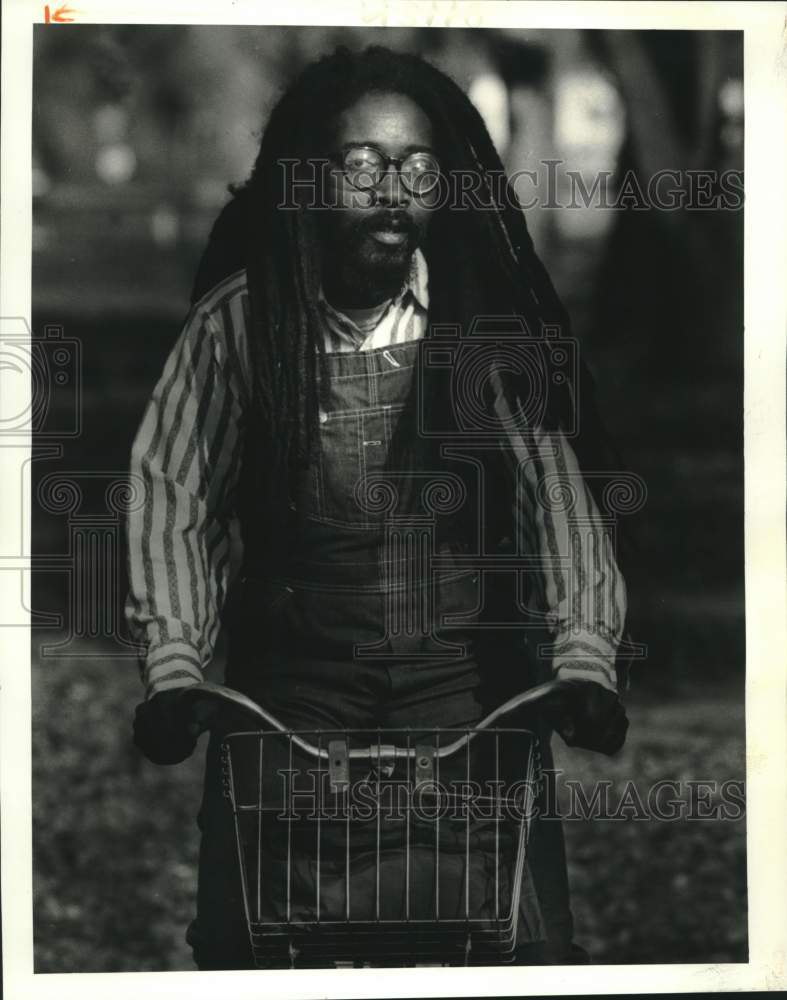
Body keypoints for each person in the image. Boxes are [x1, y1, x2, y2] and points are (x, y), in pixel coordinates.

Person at [127, 45, 629, 970]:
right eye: (361, 165)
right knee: (246, 942)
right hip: (292, 681)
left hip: (460, 680)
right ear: (312, 180)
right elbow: (171, 492)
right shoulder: (238, 327)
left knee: (526, 940)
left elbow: (557, 503)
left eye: (416, 168)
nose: (390, 189)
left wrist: (585, 659)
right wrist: (173, 666)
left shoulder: (479, 330)